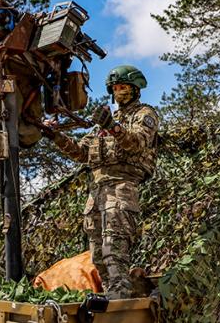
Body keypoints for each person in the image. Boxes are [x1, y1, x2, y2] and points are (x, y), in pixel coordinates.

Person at [43, 65, 159, 299]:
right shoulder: (105, 122)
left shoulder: (144, 114)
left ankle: (120, 297)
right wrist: (56, 136)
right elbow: (81, 152)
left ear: (136, 89)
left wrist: (113, 128)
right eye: (115, 88)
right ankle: (111, 294)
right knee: (97, 253)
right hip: (97, 191)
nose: (119, 92)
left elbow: (136, 143)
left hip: (121, 187)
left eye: (123, 87)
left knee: (113, 248)